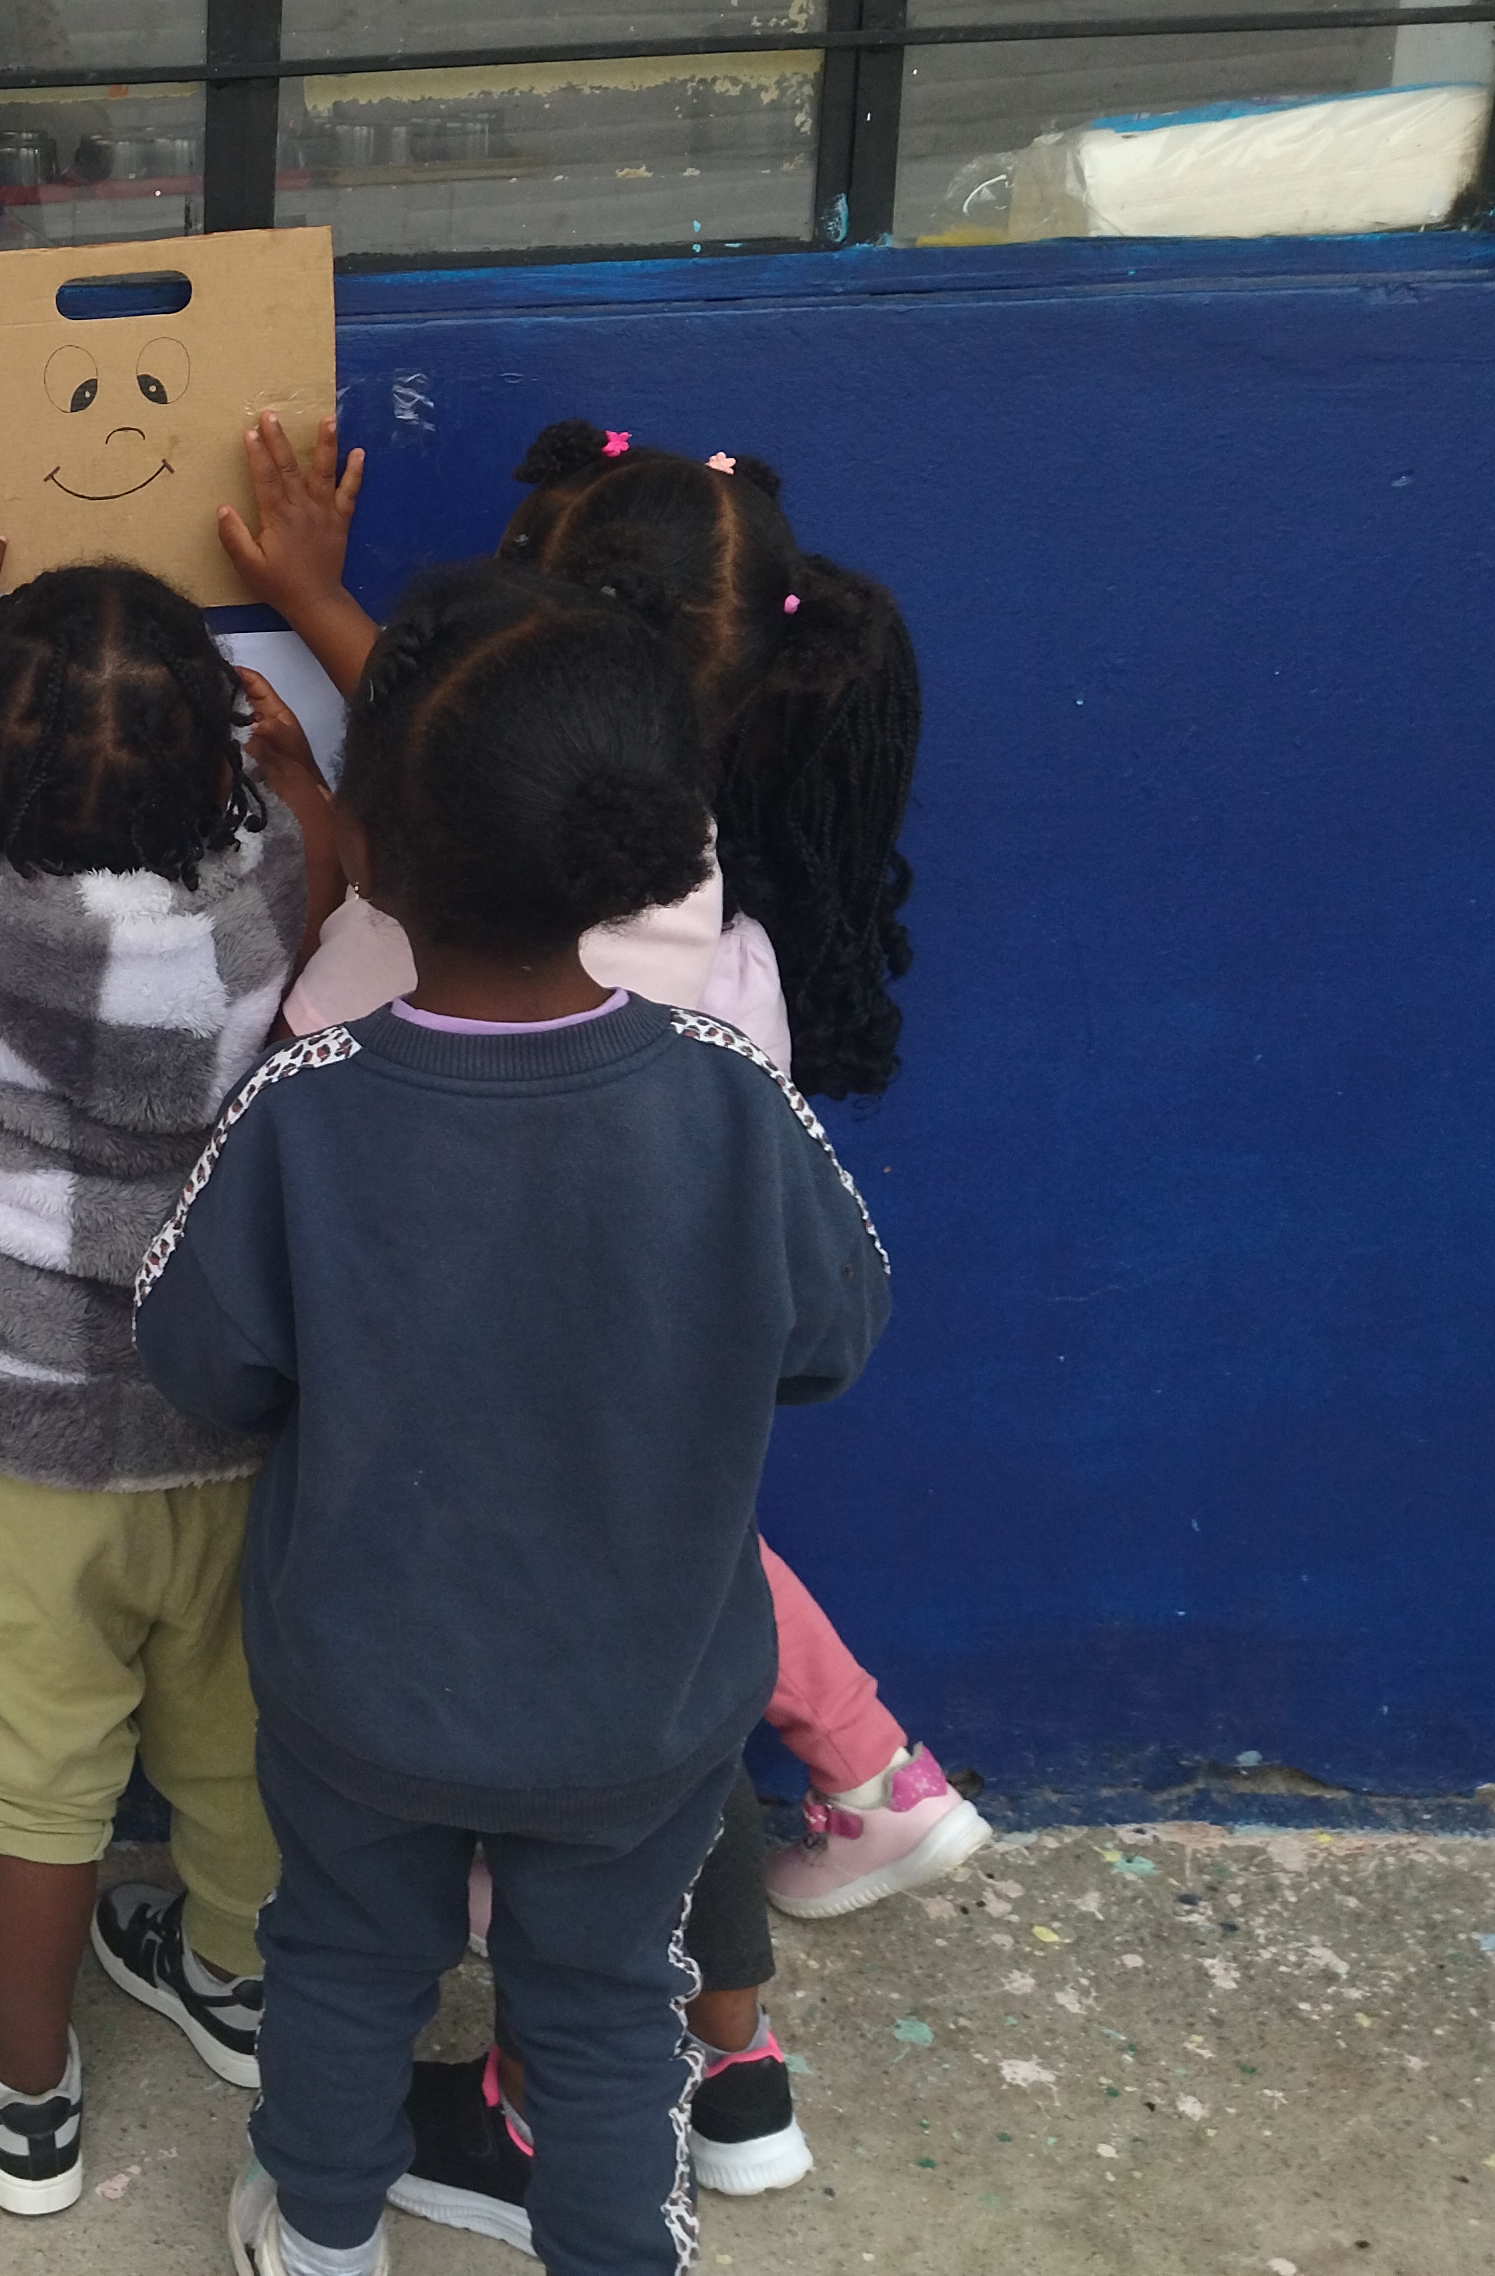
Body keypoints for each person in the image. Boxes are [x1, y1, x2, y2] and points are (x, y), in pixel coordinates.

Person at [227, 415, 969, 2218]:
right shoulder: (717, 935)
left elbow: (225, 1322)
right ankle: (740, 2067)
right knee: (664, 1748)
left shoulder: (368, 981)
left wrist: (322, 801)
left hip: (430, 1589)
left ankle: (440, 2163)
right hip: (646, 1549)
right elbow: (827, 1326)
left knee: (437, 1899)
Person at [0, 507, 337, 2217]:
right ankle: (236, 1982)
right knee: (240, 1747)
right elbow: (323, 860)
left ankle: (24, 2092)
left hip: (18, 1459)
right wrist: (295, 771)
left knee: (37, 1790)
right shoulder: (272, 905)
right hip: (233, 1446)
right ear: (222, 764)